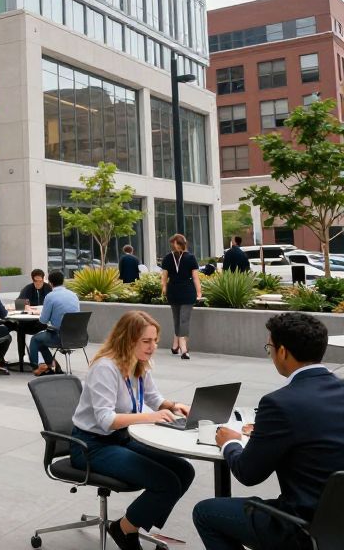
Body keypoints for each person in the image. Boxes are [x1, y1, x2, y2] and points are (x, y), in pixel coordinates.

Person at [193, 313, 344, 550]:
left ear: (282, 352)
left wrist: (230, 443)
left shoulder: (280, 403)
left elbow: (248, 474)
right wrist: (266, 434)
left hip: (304, 527)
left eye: (269, 348)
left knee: (205, 512)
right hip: (337, 520)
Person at [70, 310, 195, 550]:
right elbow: (105, 419)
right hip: (91, 446)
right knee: (166, 482)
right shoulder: (105, 368)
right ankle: (124, 529)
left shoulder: (138, 362)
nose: (152, 347)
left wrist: (172, 405)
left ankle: (133, 524)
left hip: (121, 438)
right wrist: (150, 416)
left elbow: (152, 396)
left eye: (155, 341)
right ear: (128, 340)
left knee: (184, 470)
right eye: (146, 341)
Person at [30, 270, 81, 376]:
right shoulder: (74, 295)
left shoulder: (50, 296)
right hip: (77, 336)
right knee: (41, 340)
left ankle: (35, 368)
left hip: (59, 336)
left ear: (50, 283)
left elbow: (43, 320)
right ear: (63, 281)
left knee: (35, 339)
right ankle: (51, 364)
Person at [161, 233, 202, 359]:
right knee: (178, 319)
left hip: (185, 291)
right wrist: (164, 289)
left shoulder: (190, 258)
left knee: (183, 319)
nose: (172, 246)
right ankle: (176, 345)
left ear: (178, 244)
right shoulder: (169, 258)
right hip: (175, 291)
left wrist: (199, 292)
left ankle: (182, 347)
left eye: (174, 243)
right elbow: (164, 277)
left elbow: (195, 277)